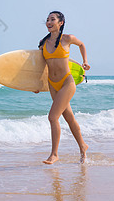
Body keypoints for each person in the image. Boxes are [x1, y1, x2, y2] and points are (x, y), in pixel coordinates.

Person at [37, 11, 90, 164]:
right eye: (47, 20)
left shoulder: (67, 38)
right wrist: (37, 84)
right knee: (68, 117)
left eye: (52, 19)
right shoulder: (43, 43)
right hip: (52, 85)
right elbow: (41, 67)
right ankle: (83, 146)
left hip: (67, 83)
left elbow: (81, 44)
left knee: (52, 117)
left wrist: (85, 61)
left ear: (60, 23)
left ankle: (54, 154)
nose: (48, 22)